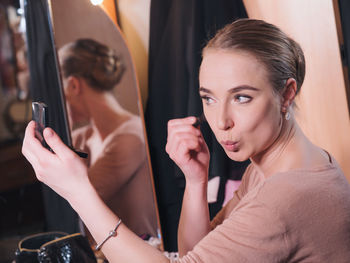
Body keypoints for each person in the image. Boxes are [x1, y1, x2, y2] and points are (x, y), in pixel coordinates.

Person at [22, 19, 350, 262]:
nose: (221, 122)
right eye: (208, 99)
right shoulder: (277, 167)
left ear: (287, 94)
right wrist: (195, 180)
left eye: (242, 98)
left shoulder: (286, 196)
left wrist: (78, 191)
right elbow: (196, 252)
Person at [57, 38, 158, 239]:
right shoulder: (82, 137)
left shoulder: (130, 138)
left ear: (74, 85)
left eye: (60, 90)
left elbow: (74, 204)